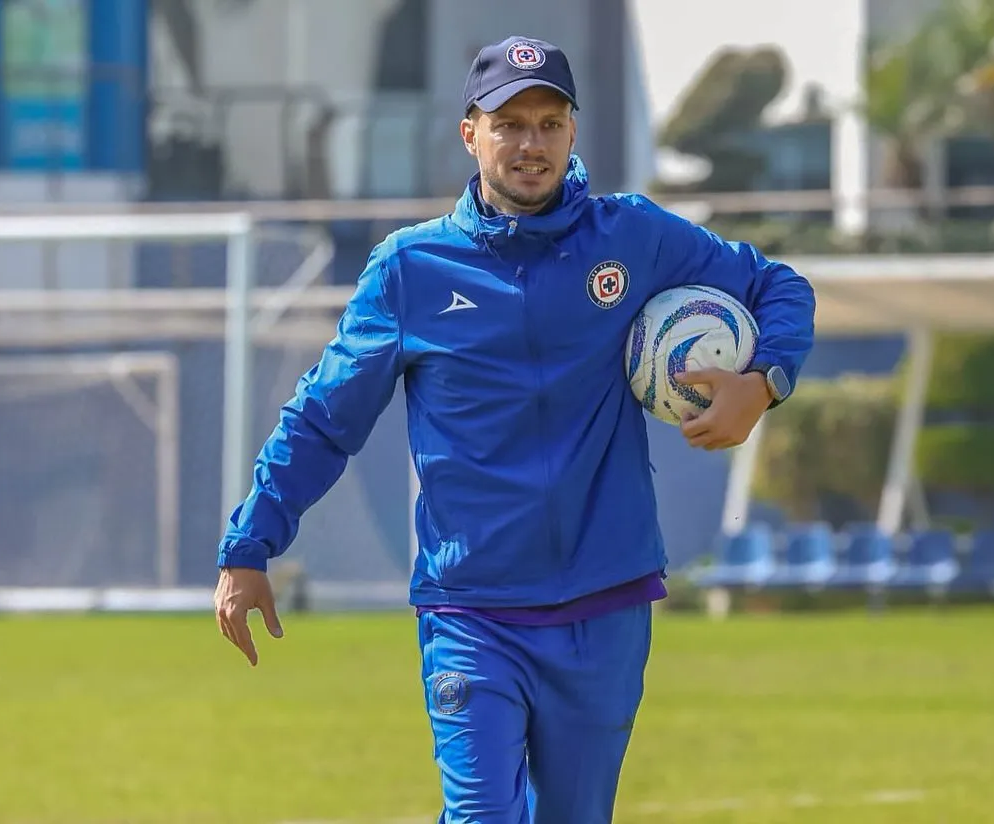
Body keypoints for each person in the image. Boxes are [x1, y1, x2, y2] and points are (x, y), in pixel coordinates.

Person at [213, 35, 816, 824]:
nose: (530, 143)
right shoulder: (410, 271)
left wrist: (761, 384)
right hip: (472, 609)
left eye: (548, 122)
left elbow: (778, 285)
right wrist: (249, 545)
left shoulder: (634, 237)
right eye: (509, 124)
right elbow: (324, 419)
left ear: (572, 132)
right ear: (472, 134)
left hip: (606, 602)